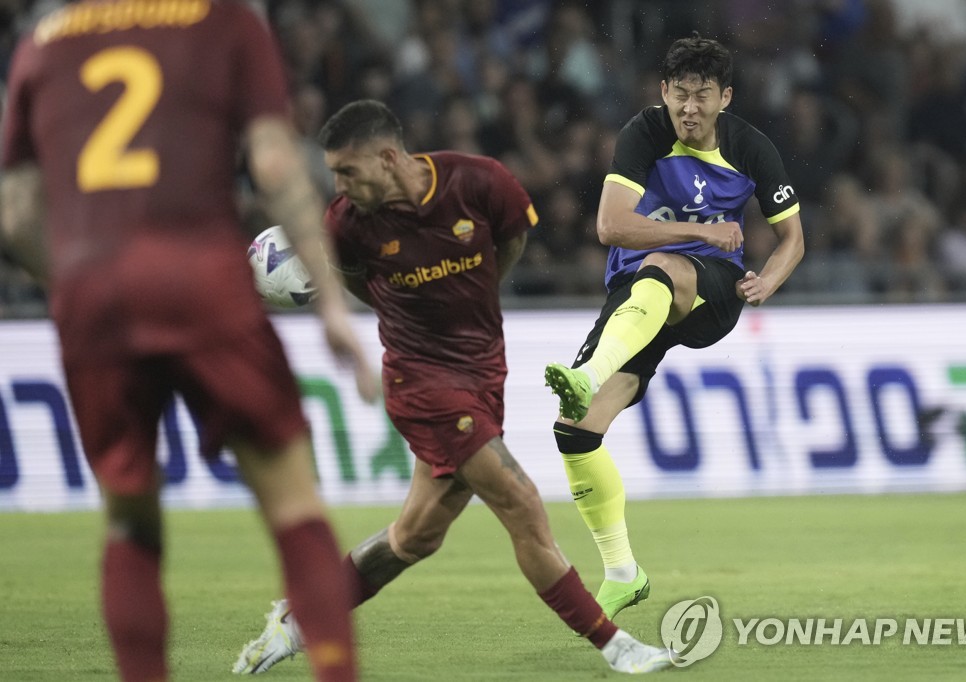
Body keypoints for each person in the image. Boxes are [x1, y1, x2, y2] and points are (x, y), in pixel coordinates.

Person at [0, 2, 379, 680]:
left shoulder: (41, 42)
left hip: (95, 296)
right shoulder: (226, 22)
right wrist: (330, 303)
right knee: (293, 504)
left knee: (129, 523)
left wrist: (80, 285)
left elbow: (16, 210)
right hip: (202, 281)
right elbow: (272, 163)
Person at [232, 99, 671, 676]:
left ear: (389, 159)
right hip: (421, 384)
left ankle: (298, 619)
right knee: (521, 503)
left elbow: (509, 244)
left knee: (416, 537)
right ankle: (616, 646)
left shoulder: (479, 184)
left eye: (348, 172)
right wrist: (409, 315)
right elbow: (355, 283)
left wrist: (468, 302)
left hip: (483, 373)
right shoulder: (347, 224)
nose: (338, 186)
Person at [543, 35, 805, 620]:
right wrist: (706, 229)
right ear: (663, 92)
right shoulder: (644, 134)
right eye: (679, 94)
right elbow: (610, 226)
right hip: (638, 298)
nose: (689, 108)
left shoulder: (750, 148)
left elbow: (792, 238)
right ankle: (622, 572)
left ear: (725, 98)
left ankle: (587, 372)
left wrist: (768, 280)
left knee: (664, 268)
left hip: (710, 293)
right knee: (575, 432)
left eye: (702, 96)